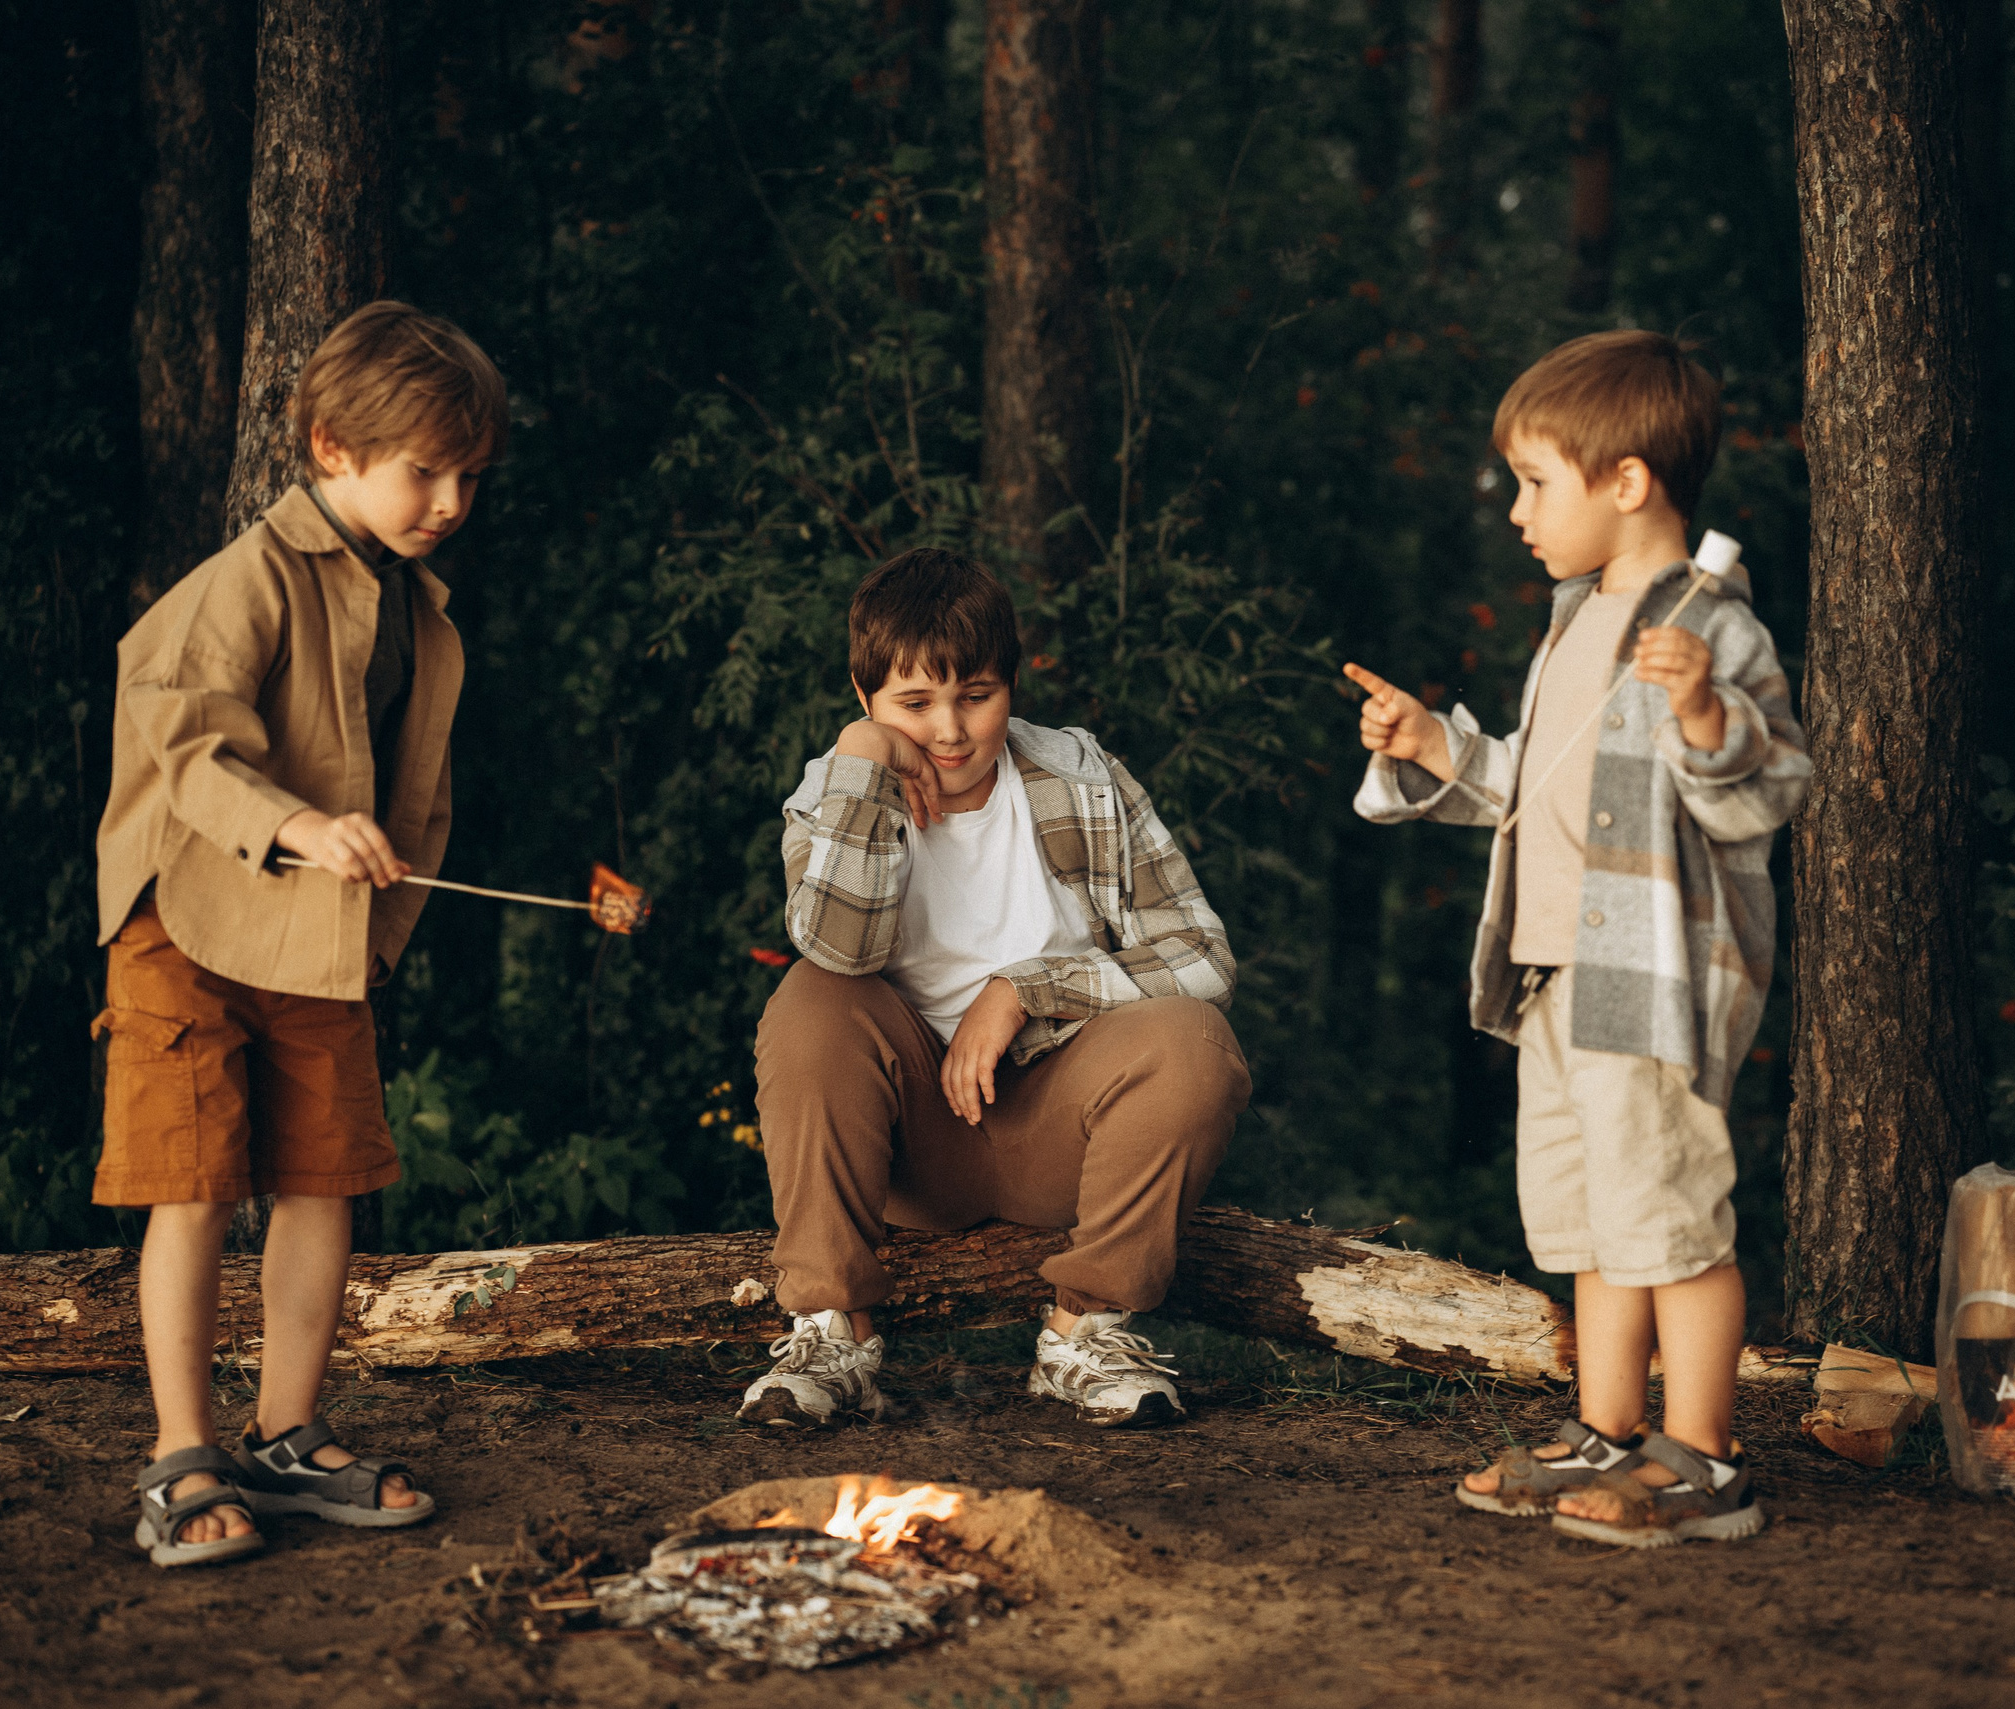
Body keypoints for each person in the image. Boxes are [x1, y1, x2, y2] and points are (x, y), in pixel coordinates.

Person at [1346, 330, 1810, 1546]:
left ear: (1627, 482)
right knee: (1593, 1215)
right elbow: (1540, 788)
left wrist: (1705, 707)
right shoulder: (1571, 618)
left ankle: (1704, 1458)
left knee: (1667, 1210)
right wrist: (1434, 748)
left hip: (1649, 978)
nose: (1514, 511)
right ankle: (1608, 1429)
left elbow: (1767, 788)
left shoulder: (1709, 627)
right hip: (1553, 972)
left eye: (1534, 482)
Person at [91, 301, 507, 1567]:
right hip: (194, 926)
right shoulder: (241, 583)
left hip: (322, 942)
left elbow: (416, 794)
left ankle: (282, 1433)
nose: (446, 498)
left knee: (323, 1179)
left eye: (467, 475)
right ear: (332, 448)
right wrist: (298, 826)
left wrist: (379, 919)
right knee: (196, 1185)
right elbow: (185, 744)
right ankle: (179, 1455)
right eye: (421, 468)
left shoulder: (418, 610)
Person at [743, 548, 1252, 1430]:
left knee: (1193, 1039)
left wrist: (1026, 986)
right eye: (913, 703)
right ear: (863, 698)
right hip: (909, 1146)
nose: (949, 729)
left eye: (975, 695)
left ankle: (1085, 1335)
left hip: (1064, 1128)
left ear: (1012, 684)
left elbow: (1204, 954)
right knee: (811, 1001)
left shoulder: (1083, 775)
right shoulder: (832, 791)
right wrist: (866, 770)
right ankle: (832, 1333)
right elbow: (836, 946)